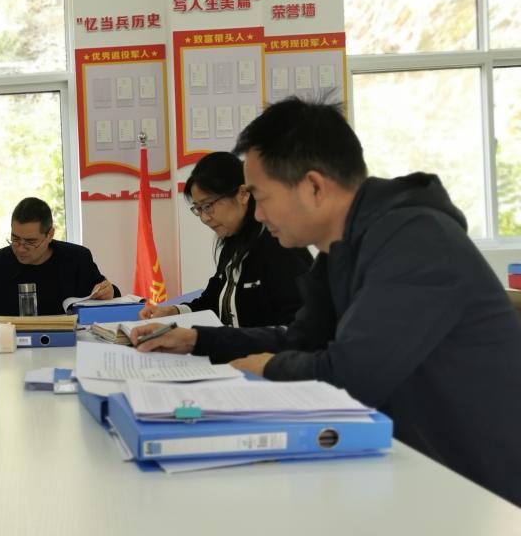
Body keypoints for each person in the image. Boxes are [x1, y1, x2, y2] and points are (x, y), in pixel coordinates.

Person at [129, 97, 521, 506]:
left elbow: (352, 374)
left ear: (314, 187)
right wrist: (197, 340)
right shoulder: (340, 251)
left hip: (477, 491)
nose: (258, 215)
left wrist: (269, 367)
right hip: (403, 467)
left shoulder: (417, 240)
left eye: (262, 197)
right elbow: (298, 340)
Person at [140, 152, 311, 327]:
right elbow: (212, 301)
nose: (204, 218)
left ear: (243, 194)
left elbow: (297, 328)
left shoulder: (281, 246)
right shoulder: (233, 243)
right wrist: (173, 311)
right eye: (198, 209)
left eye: (208, 206)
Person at [0, 197, 117, 321]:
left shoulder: (76, 259)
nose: (20, 248)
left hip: (67, 347)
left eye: (30, 242)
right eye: (15, 239)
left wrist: (109, 292)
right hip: (7, 349)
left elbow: (108, 293)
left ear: (50, 234)